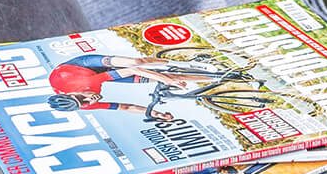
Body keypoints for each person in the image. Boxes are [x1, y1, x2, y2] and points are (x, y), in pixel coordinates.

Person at [47, 52, 240, 124]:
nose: (91, 100)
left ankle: (182, 61)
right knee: (167, 79)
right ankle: (221, 77)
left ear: (74, 93)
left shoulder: (81, 85)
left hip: (82, 67)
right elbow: (125, 107)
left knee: (138, 61)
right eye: (85, 103)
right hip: (95, 79)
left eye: (84, 98)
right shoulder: (86, 105)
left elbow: (135, 68)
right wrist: (154, 113)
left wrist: (167, 80)